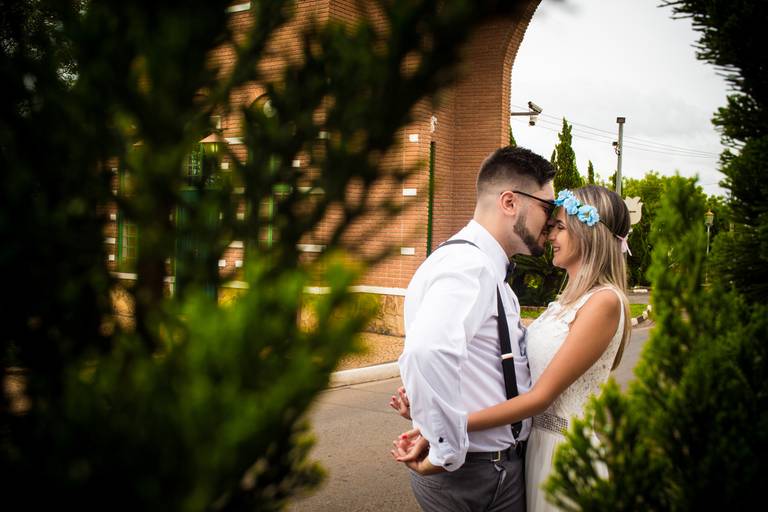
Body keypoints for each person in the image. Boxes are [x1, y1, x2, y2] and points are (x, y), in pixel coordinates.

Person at [392, 185, 633, 512]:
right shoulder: (563, 303)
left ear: (588, 232)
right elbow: (510, 371)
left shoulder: (604, 302)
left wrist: (446, 421)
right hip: (534, 448)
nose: (549, 236)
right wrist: (427, 399)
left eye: (559, 227)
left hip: (563, 454)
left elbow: (539, 397)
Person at [395, 146, 556, 512]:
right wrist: (446, 449)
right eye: (547, 207)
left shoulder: (477, 263)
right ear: (510, 202)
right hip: (479, 475)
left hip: (484, 472)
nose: (551, 221)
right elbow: (428, 352)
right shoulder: (470, 265)